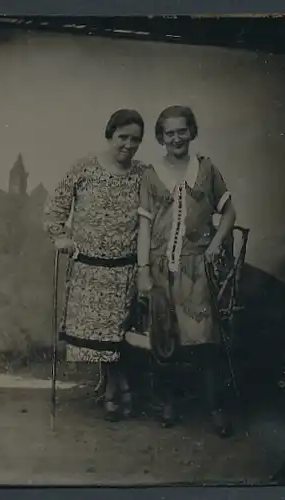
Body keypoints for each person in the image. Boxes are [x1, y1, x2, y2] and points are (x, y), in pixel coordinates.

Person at [136, 105, 236, 437]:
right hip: (162, 266)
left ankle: (215, 408)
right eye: (169, 133)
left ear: (191, 132)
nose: (176, 138)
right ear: (161, 138)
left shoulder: (206, 170)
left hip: (196, 267)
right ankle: (168, 403)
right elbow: (145, 227)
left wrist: (215, 246)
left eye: (182, 131)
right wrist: (143, 270)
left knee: (203, 340)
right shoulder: (151, 176)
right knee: (164, 339)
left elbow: (229, 213)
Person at [44, 109, 146, 422]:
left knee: (118, 334)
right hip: (89, 270)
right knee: (101, 335)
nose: (128, 145)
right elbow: (55, 206)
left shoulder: (144, 173)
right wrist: (60, 237)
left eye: (136, 139)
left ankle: (117, 389)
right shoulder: (85, 167)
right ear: (109, 136)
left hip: (126, 270)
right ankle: (118, 388)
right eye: (122, 137)